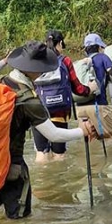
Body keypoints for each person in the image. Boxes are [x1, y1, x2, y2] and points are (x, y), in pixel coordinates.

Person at [0, 42, 100, 219]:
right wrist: (82, 131)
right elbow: (54, 135)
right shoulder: (28, 100)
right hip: (11, 165)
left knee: (1, 214)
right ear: (33, 70)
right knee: (19, 221)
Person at [33, 30, 92, 163]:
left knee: (41, 154)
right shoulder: (65, 61)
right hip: (59, 112)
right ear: (59, 43)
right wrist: (90, 89)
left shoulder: (36, 62)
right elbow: (78, 88)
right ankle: (60, 179)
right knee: (59, 155)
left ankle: (44, 182)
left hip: (38, 112)